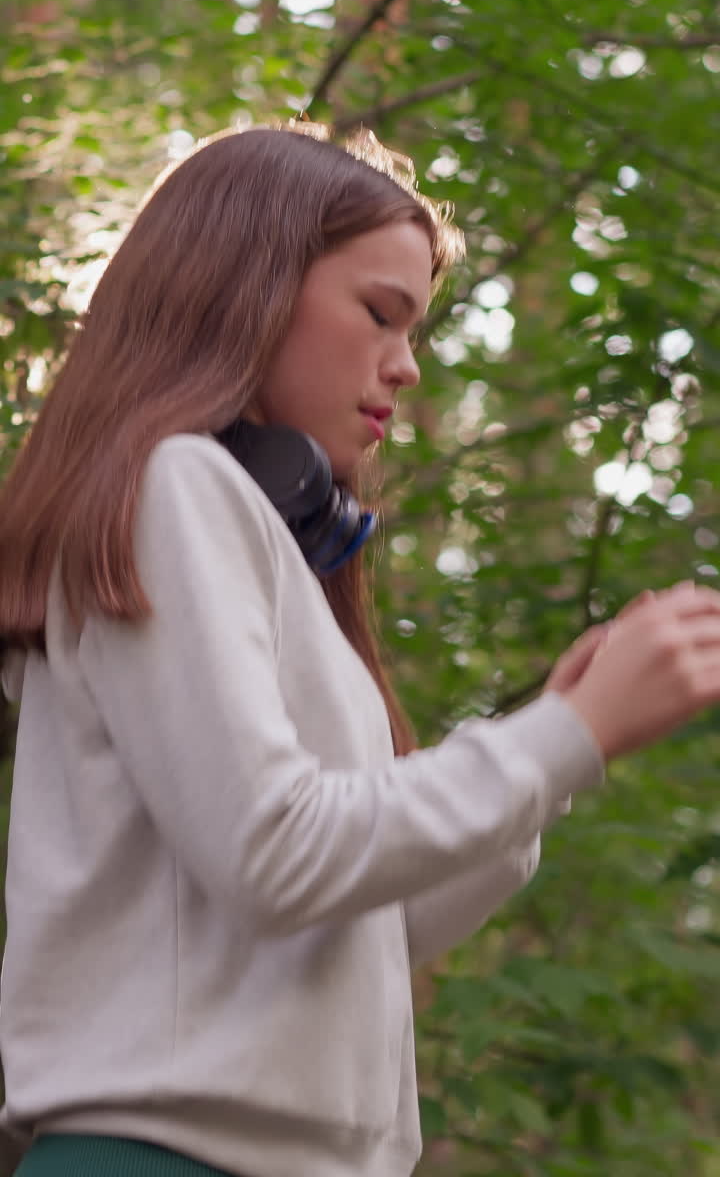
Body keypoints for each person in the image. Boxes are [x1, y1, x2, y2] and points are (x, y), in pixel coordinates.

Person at [1, 123, 720, 1177]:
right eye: (381, 313)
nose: (407, 365)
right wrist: (568, 730)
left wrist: (561, 758)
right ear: (241, 283)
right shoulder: (177, 485)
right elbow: (277, 852)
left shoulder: (261, 550)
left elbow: (364, 927)